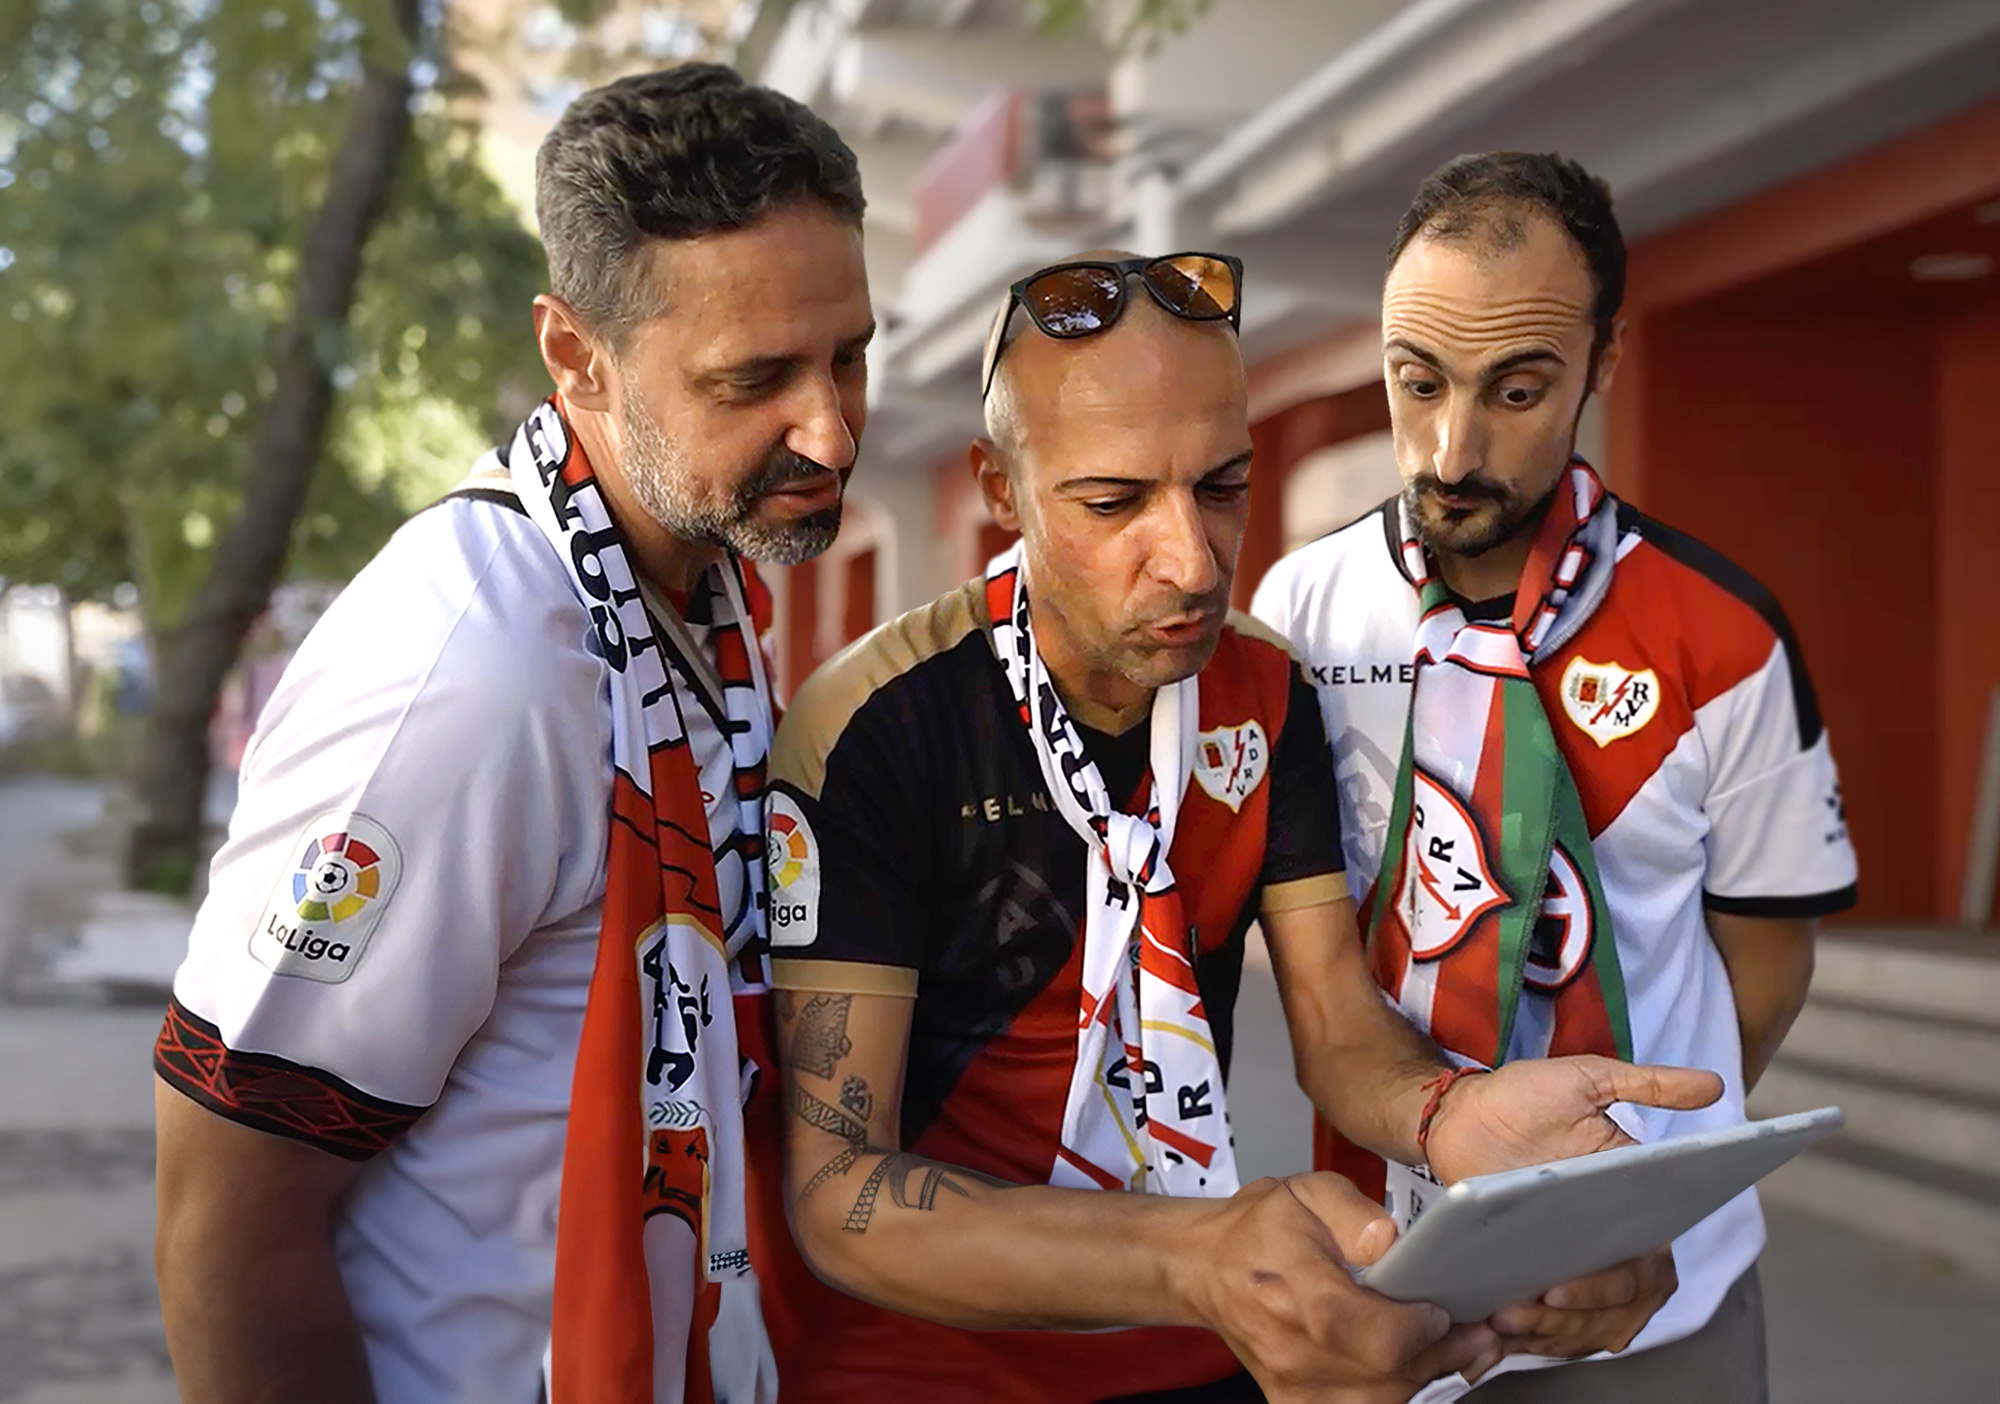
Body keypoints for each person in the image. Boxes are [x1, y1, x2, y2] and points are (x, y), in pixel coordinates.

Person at [756, 250, 1723, 1404]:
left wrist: (1451, 1114)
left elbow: (1332, 1026)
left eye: (1221, 487)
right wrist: (1199, 1254)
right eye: (1113, 503)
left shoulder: (1264, 689)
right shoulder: (873, 723)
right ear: (997, 489)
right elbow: (839, 1197)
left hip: (1194, 1331)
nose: (1193, 559)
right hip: (919, 1362)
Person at [151, 65, 874, 1404]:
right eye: (755, 376)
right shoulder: (466, 671)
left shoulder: (699, 587)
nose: (828, 428)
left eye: (849, 354)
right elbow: (224, 1220)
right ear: (574, 358)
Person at [1252, 153, 1860, 1403]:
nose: (1450, 448)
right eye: (1414, 383)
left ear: (1602, 362)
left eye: (1516, 390)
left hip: (1651, 1309)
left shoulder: (1722, 637)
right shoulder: (1298, 613)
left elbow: (1766, 967)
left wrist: (1613, 1186)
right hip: (1379, 1287)